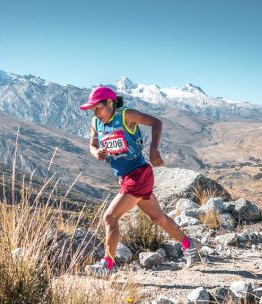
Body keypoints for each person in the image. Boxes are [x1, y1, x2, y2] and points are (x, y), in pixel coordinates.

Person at [80, 86, 200, 278]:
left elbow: (156, 122)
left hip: (139, 175)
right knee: (158, 217)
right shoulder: (96, 122)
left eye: (98, 108)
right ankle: (189, 245)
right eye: (93, 109)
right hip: (125, 176)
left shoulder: (127, 115)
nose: (95, 112)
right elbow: (93, 145)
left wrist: (154, 150)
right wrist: (97, 153)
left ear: (109, 103)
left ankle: (107, 265)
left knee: (110, 218)